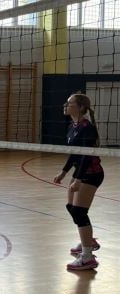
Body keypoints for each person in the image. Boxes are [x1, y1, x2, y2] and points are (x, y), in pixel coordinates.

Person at [53, 93, 103, 271]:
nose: (65, 105)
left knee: (79, 212)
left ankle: (87, 257)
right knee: (71, 208)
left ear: (81, 107)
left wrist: (79, 180)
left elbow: (86, 157)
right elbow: (75, 153)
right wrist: (64, 172)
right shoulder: (72, 126)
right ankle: (88, 241)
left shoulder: (87, 128)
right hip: (80, 171)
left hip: (91, 173)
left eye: (70, 103)